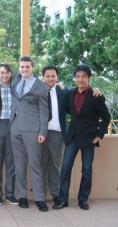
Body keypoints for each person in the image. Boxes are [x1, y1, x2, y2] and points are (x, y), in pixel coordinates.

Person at [0, 56, 49, 212]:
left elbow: (44, 112)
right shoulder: (16, 78)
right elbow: (1, 75)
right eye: (22, 67)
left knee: (35, 165)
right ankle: (22, 196)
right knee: (19, 165)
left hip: (33, 130)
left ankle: (39, 198)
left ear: (32, 67)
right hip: (14, 128)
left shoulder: (41, 87)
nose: (24, 69)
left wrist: (43, 131)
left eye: (27, 67)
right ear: (19, 68)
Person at [53, 64, 110, 210]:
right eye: (77, 76)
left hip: (89, 138)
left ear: (89, 78)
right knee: (65, 168)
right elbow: (65, 109)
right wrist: (59, 86)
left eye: (84, 76)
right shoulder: (70, 93)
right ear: (74, 78)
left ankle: (83, 199)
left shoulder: (96, 95)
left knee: (86, 170)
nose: (80, 79)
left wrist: (99, 136)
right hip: (72, 137)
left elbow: (106, 117)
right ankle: (63, 199)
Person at [0, 63, 18, 205]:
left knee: (11, 163)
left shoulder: (16, 85)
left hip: (13, 125)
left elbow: (32, 77)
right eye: (1, 73)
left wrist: (59, 84)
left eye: (7, 73)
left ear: (11, 74)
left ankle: (10, 194)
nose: (4, 75)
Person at [40, 66, 68, 203]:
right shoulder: (38, 91)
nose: (50, 79)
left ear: (57, 77)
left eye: (53, 76)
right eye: (47, 76)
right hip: (41, 134)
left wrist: (96, 90)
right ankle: (41, 195)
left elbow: (80, 94)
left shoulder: (63, 91)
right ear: (43, 77)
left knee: (56, 166)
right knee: (42, 166)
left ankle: (56, 194)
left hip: (58, 133)